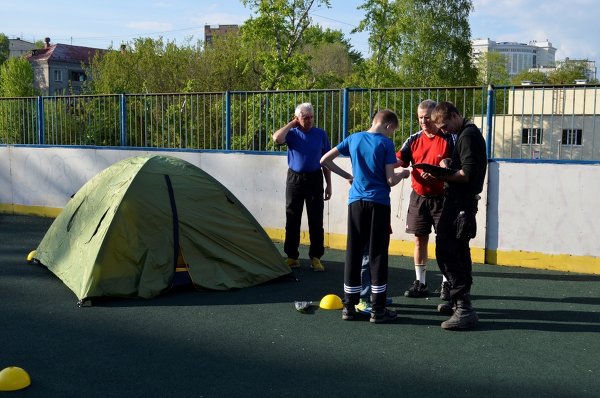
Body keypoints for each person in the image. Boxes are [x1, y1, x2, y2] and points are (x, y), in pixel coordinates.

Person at [320, 110, 410, 323]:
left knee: (354, 251)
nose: (391, 135)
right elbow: (390, 180)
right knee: (377, 253)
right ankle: (378, 309)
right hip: (378, 203)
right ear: (387, 125)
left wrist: (349, 176)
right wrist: (403, 174)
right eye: (392, 131)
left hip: (356, 202)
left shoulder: (354, 138)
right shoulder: (385, 144)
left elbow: (325, 160)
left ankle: (349, 307)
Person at [427, 101, 487, 330]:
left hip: (460, 203)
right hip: (460, 202)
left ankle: (463, 307)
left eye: (444, 125)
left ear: (454, 115)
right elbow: (463, 167)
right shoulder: (464, 134)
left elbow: (466, 175)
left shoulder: (468, 135)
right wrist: (449, 165)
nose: (443, 131)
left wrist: (441, 175)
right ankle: (459, 302)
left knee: (447, 250)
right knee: (459, 251)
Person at [396, 99, 455, 300]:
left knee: (445, 241)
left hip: (443, 199)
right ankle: (420, 283)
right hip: (419, 198)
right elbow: (398, 160)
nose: (423, 121)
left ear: (435, 116)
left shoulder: (450, 138)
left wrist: (442, 172)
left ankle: (447, 284)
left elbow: (458, 166)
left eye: (427, 117)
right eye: (420, 117)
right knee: (419, 239)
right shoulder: (412, 140)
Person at [273, 103, 332, 271]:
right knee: (292, 217)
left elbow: (326, 160)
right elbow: (277, 138)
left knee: (316, 219)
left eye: (312, 116)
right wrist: (292, 124)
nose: (310, 120)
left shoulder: (320, 134)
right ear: (297, 118)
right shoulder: (292, 134)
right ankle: (292, 256)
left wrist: (329, 184)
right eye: (305, 117)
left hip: (315, 178)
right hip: (294, 179)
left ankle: (316, 257)